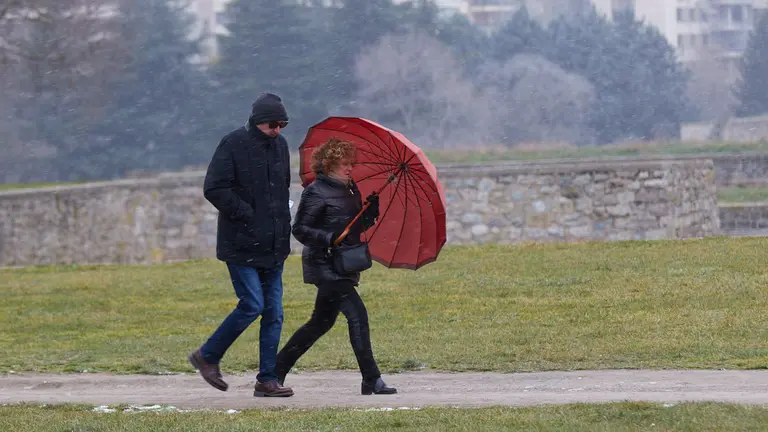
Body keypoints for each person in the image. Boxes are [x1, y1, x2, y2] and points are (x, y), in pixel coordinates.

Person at [188, 93, 294, 398]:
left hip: (274, 246)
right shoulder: (233, 144)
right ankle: (207, 355)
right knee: (252, 305)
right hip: (242, 244)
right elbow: (214, 188)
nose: (278, 130)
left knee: (274, 313)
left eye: (282, 125)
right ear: (259, 121)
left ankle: (268, 379)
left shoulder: (281, 147)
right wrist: (247, 213)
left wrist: (281, 222)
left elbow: (283, 187)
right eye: (273, 124)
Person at [274, 137, 397, 396]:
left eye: (350, 163)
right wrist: (328, 239)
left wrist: (370, 212)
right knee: (357, 316)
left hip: (345, 264)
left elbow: (355, 228)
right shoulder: (315, 191)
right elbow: (300, 229)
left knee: (320, 323)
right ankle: (371, 379)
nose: (349, 168)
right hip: (325, 265)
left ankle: (275, 372)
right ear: (328, 165)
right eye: (344, 164)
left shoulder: (351, 189)